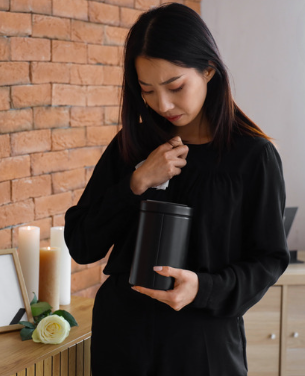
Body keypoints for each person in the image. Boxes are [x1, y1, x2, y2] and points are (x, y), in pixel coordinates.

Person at [64, 3, 289, 375]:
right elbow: (82, 244)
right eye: (147, 91)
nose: (162, 104)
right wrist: (136, 182)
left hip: (204, 346)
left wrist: (202, 288)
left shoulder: (253, 157)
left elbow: (267, 260)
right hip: (123, 340)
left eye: (175, 86)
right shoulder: (134, 145)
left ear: (209, 70)